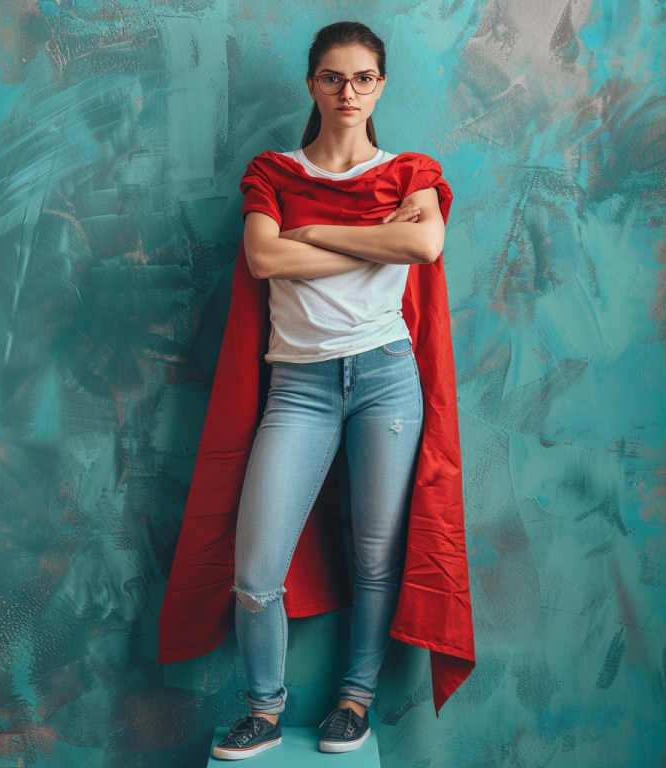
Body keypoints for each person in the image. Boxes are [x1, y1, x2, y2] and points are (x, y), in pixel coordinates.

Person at [209, 20, 450, 760]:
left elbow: (423, 244)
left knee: (375, 555)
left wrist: (309, 235)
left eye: (364, 78)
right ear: (312, 84)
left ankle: (356, 699)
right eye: (333, 78)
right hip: (300, 388)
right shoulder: (273, 170)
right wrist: (358, 232)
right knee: (255, 572)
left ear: (382, 85)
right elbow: (259, 259)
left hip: (385, 379)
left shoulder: (409, 171)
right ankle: (264, 708)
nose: (349, 92)